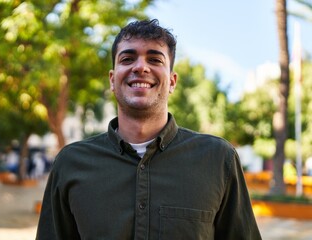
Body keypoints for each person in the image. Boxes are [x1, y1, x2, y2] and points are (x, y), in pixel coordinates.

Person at [36, 19, 261, 239]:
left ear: (172, 82)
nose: (141, 67)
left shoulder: (218, 159)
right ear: (112, 80)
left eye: (154, 59)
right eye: (127, 58)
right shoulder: (70, 163)